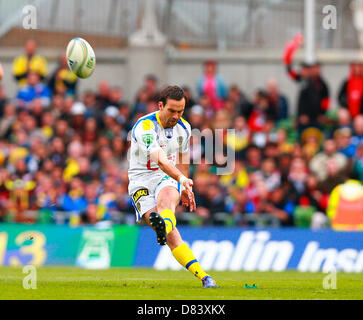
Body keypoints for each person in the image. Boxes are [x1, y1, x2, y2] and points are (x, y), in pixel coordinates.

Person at [128, 85, 217, 288]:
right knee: (170, 232)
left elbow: (183, 156)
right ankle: (165, 228)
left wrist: (183, 184)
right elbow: (159, 159)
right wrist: (181, 178)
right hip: (140, 181)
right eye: (172, 110)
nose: (176, 116)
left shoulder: (184, 128)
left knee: (167, 200)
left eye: (181, 111)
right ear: (160, 105)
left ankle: (205, 278)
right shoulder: (144, 127)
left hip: (165, 177)